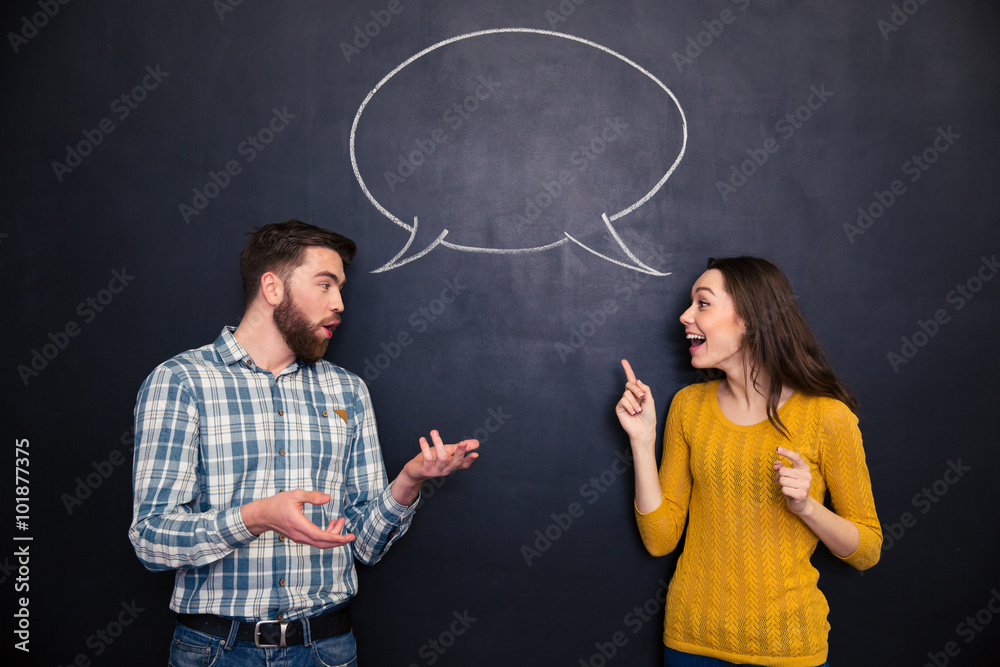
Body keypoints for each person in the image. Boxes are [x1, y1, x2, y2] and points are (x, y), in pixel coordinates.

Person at [129, 220, 479, 666]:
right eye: (325, 285)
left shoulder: (347, 391)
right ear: (272, 288)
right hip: (217, 652)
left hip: (325, 650)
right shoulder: (181, 382)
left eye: (341, 289)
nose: (339, 304)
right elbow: (151, 540)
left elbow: (365, 546)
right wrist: (256, 518)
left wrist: (409, 481)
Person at [615, 256, 881, 667]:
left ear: (750, 320)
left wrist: (807, 508)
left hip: (789, 650)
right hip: (691, 642)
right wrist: (642, 439)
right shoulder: (688, 407)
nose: (685, 316)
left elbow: (867, 550)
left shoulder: (827, 417)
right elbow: (660, 538)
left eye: (703, 304)